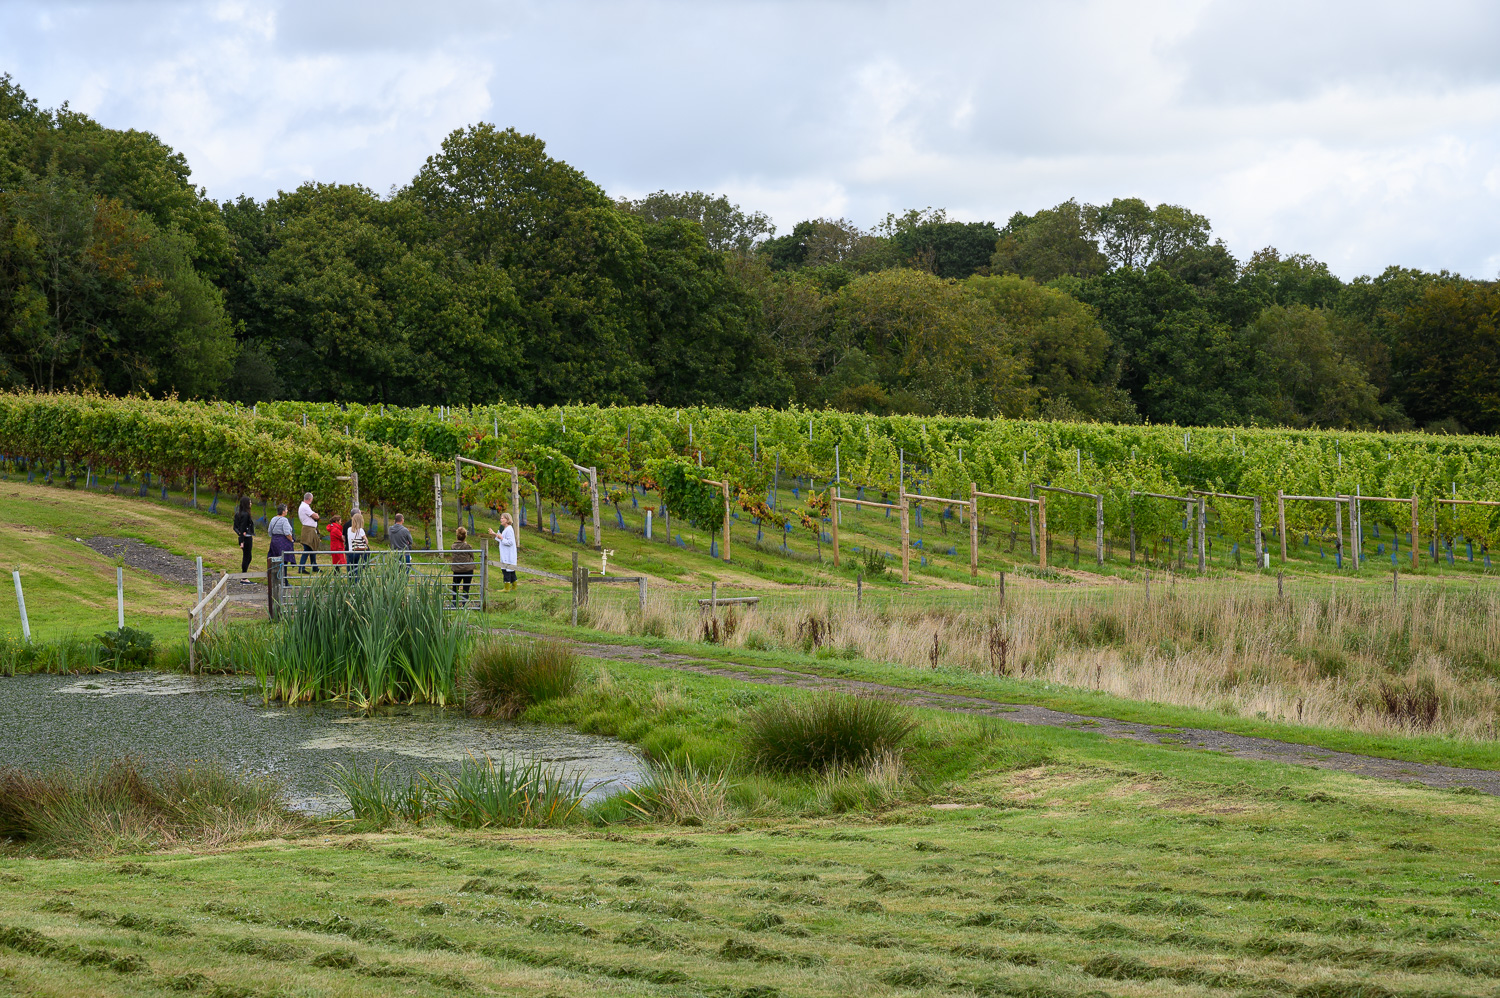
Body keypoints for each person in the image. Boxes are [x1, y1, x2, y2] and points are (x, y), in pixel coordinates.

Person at [487, 512, 518, 591]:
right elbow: (501, 538)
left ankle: (507, 588)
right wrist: (494, 534)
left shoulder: (509, 529)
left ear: (507, 520)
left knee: (507, 570)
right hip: (505, 553)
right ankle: (513, 587)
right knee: (509, 570)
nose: (501, 519)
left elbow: (510, 542)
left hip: (508, 554)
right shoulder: (506, 529)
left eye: (502, 518)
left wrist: (501, 538)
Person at [267, 503, 296, 574]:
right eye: (286, 509)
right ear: (283, 511)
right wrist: (291, 540)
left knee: (275, 560)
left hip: (274, 541)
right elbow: (287, 533)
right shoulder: (284, 520)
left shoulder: (273, 519)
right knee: (284, 560)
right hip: (282, 542)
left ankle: (275, 578)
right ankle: (284, 580)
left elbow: (269, 531)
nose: (287, 511)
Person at [233, 496, 255, 582]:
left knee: (247, 557)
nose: (251, 504)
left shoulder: (238, 514)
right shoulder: (246, 515)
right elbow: (242, 527)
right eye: (249, 502)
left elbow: (235, 527)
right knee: (247, 557)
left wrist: (239, 534)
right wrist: (242, 539)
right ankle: (244, 577)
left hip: (243, 537)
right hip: (246, 539)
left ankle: (244, 575)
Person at [451, 526, 475, 605]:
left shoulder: (453, 547)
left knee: (455, 587)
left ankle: (454, 603)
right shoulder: (467, 547)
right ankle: (464, 603)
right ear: (465, 536)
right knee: (466, 587)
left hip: (457, 570)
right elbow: (472, 556)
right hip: (467, 570)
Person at [297, 492, 321, 572]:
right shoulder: (305, 507)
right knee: (307, 548)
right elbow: (315, 516)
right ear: (310, 499)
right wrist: (316, 515)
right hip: (308, 530)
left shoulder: (304, 506)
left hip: (309, 529)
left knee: (312, 548)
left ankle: (314, 566)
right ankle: (301, 567)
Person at [346, 510, 369, 580]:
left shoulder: (349, 529)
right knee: (357, 570)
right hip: (359, 552)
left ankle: (350, 584)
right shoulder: (361, 530)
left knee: (350, 569)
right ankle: (356, 585)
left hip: (350, 551)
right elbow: (366, 541)